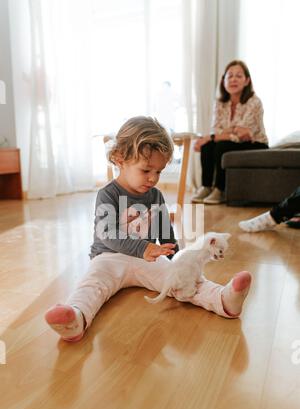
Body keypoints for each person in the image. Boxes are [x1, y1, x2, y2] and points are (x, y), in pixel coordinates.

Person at [45, 116, 252, 342]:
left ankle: (222, 299)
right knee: (92, 285)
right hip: (108, 258)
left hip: (149, 260)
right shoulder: (108, 194)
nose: (153, 178)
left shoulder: (155, 196)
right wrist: (143, 247)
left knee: (182, 280)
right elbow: (108, 234)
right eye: (146, 170)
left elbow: (165, 235)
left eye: (159, 172)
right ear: (119, 159)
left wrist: (177, 260)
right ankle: (76, 318)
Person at [192, 60, 269, 205]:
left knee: (220, 145)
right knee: (207, 146)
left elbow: (243, 135)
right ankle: (207, 187)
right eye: (230, 76)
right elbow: (218, 129)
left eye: (239, 76)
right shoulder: (220, 103)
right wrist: (229, 131)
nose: (233, 79)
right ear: (223, 81)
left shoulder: (254, 102)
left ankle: (220, 190)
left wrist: (216, 135)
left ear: (247, 81)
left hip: (255, 143)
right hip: (231, 142)